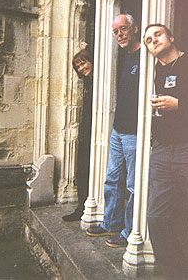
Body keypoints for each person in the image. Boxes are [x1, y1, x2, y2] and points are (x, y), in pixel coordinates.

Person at [143, 24, 188, 279]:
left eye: (158, 34)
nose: (154, 40)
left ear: (171, 37)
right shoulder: (156, 70)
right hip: (163, 152)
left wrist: (180, 105)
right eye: (149, 40)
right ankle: (175, 273)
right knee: (156, 219)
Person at [86, 13, 141, 248]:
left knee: (133, 185)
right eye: (115, 31)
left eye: (123, 29)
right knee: (112, 179)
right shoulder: (124, 57)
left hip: (135, 132)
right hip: (118, 130)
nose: (119, 34)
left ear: (135, 28)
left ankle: (129, 232)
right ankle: (111, 222)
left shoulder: (145, 57)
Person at [62, 42, 93, 222]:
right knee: (81, 171)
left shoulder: (102, 80)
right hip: (86, 133)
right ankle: (81, 207)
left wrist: (87, 47)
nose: (81, 68)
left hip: (95, 134)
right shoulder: (88, 82)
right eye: (78, 66)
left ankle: (85, 207)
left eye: (83, 63)